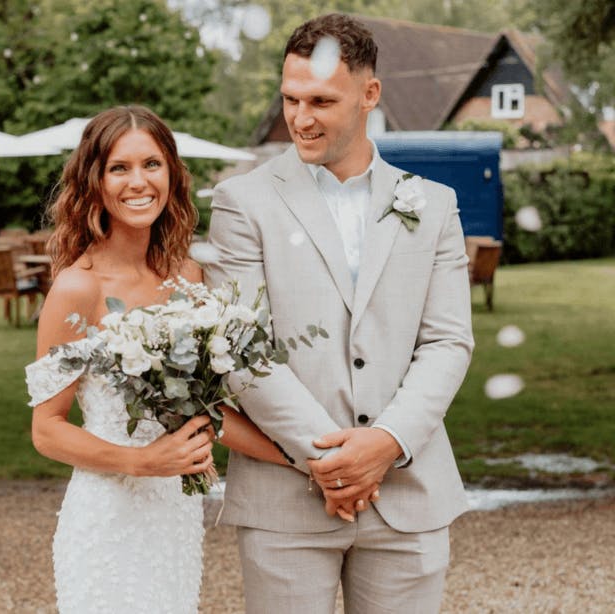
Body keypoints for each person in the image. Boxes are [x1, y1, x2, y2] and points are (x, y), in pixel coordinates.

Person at [204, 13, 474, 614]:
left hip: (410, 493)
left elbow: (448, 342)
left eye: (322, 100)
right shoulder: (241, 202)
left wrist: (385, 442)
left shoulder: (432, 205)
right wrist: (332, 462)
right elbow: (241, 350)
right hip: (286, 498)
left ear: (369, 94)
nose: (301, 118)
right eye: (291, 99)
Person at [24, 105, 289, 614]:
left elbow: (203, 414)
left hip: (174, 517)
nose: (137, 181)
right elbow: (47, 429)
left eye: (151, 164)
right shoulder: (77, 288)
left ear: (171, 173)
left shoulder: (187, 278)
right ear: (94, 183)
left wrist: (302, 461)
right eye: (118, 168)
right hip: (108, 521)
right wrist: (140, 462)